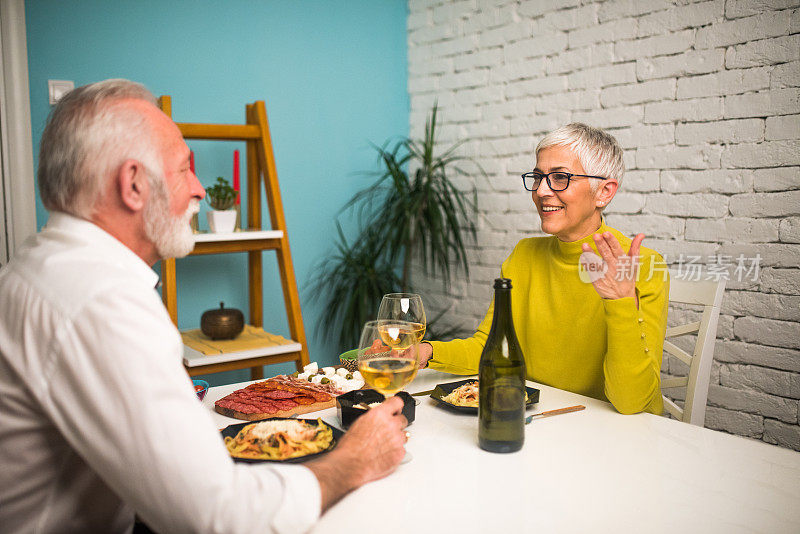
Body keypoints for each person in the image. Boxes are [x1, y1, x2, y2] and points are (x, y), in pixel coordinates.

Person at [0, 79, 408, 533]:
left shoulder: (37, 266)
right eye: (183, 170)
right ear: (133, 184)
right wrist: (353, 460)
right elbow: (218, 518)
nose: (199, 190)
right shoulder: (101, 301)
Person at [419, 123, 668, 415]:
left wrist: (621, 303)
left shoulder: (644, 267)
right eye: (538, 177)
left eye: (560, 178)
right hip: (537, 422)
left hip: (612, 435)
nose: (541, 191)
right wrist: (426, 351)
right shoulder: (524, 256)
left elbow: (632, 403)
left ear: (604, 191)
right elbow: (488, 350)